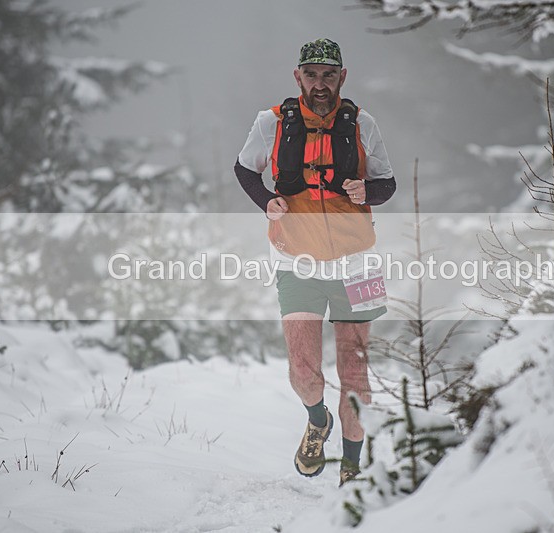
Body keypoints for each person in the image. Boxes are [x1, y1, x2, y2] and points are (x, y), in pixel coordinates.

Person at [234, 38, 396, 486]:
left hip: (357, 261)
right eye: (311, 75)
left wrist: (369, 192)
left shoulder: (363, 123)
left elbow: (387, 183)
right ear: (297, 76)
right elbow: (245, 170)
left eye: (329, 75)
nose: (320, 84)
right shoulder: (270, 123)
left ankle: (350, 467)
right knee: (304, 371)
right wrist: (267, 201)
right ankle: (317, 418)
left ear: (343, 77)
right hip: (296, 258)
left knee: (355, 371)